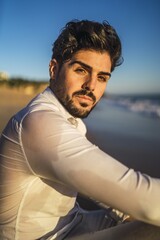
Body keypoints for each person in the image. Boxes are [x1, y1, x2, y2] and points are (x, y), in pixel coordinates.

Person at [0, 19, 160, 240]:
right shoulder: (38, 123)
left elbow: (100, 181)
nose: (91, 86)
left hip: (74, 222)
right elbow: (146, 198)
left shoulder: (69, 119)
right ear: (54, 69)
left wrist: (127, 214)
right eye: (81, 70)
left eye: (102, 77)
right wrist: (139, 211)